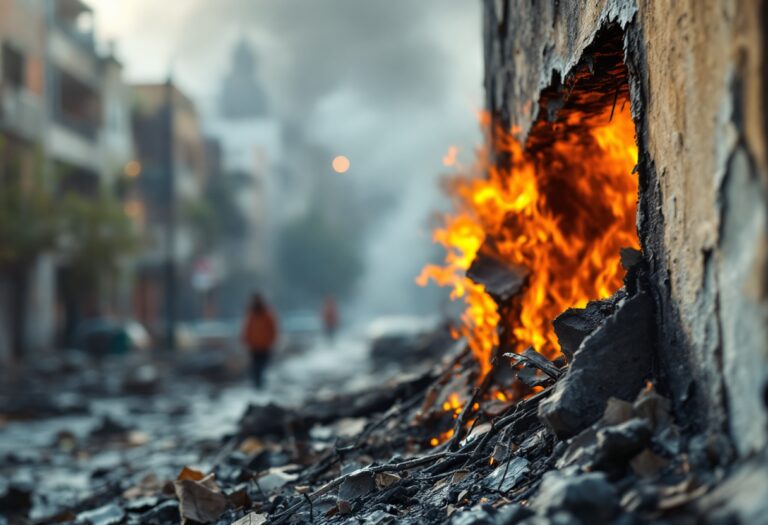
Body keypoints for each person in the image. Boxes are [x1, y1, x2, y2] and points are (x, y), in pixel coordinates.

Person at [241, 293, 278, 388]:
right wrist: (246, 341)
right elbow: (247, 329)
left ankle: (260, 383)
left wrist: (271, 341)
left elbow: (273, 329)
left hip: (265, 346)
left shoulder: (267, 314)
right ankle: (257, 384)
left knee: (262, 366)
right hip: (254, 346)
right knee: (255, 366)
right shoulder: (251, 315)